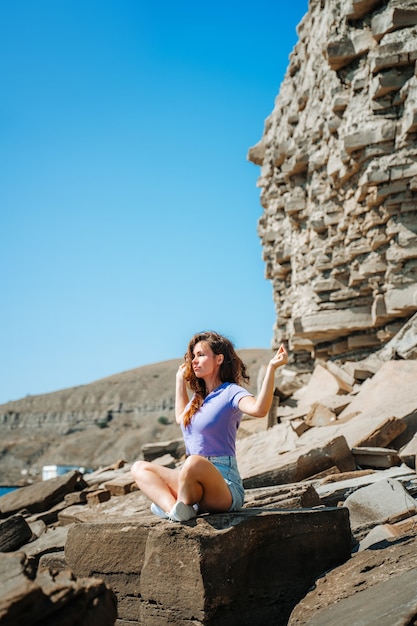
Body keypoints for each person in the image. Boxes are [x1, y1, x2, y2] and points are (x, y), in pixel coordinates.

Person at [131, 330, 288, 522]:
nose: (194, 361)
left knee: (193, 462)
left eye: (201, 355)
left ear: (219, 359)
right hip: (191, 480)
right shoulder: (198, 400)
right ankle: (176, 509)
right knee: (139, 468)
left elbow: (259, 410)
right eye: (193, 357)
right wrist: (180, 380)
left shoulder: (231, 392)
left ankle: (175, 507)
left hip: (223, 485)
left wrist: (272, 368)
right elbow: (181, 418)